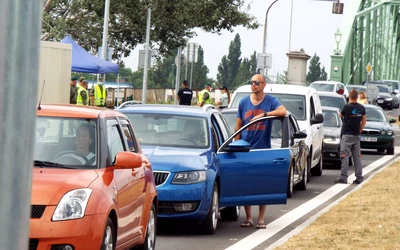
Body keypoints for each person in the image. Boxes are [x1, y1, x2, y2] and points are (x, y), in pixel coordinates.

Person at [235, 74, 287, 229]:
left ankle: (261, 219)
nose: (253, 85)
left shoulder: (270, 101)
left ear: (264, 85)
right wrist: (235, 144)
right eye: (251, 82)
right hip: (245, 150)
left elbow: (283, 111)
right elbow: (238, 126)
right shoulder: (243, 102)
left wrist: (265, 114)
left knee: (261, 185)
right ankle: (249, 218)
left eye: (257, 83)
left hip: (263, 150)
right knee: (246, 185)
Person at [335, 89, 366, 184]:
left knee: (344, 155)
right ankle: (359, 177)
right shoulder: (361, 108)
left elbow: (340, 115)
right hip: (356, 135)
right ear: (357, 97)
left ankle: (343, 177)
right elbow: (364, 121)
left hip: (347, 134)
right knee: (356, 157)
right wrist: (359, 131)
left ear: (349, 97)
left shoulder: (346, 107)